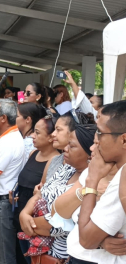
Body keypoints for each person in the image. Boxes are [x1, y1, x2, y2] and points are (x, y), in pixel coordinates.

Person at [19, 123, 96, 263]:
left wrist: (29, 224)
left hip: (65, 256)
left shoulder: (91, 182)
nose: (65, 149)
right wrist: (24, 213)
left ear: (89, 152)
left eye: (71, 146)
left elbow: (60, 224)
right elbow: (40, 194)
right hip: (44, 252)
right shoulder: (67, 169)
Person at [71, 101, 126, 264]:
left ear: (123, 140)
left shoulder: (122, 178)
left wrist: (92, 181)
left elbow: (87, 239)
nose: (96, 142)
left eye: (101, 133)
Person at [0, 99, 26, 264]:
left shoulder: (9, 141)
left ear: (4, 118)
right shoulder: (7, 138)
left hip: (0, 204)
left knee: (3, 257)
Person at [12, 115, 60, 263]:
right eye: (34, 131)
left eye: (38, 132)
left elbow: (43, 195)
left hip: (35, 225)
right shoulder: (33, 154)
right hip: (20, 215)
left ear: (51, 137)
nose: (32, 135)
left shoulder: (55, 161)